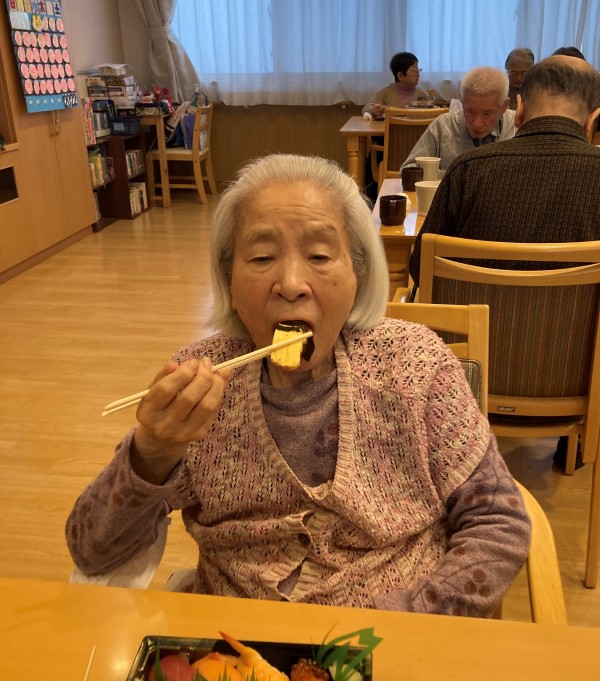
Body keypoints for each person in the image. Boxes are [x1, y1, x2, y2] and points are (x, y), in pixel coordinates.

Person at [66, 153, 530, 618]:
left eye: (320, 256)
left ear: (358, 271)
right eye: (262, 257)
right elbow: (93, 550)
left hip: (398, 640)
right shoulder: (201, 385)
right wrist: (152, 452)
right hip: (235, 641)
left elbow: (498, 520)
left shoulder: (414, 363)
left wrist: (414, 619)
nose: (290, 284)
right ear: (229, 278)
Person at [407, 56, 600, 471]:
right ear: (592, 120)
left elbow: (419, 269)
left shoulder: (468, 171)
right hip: (576, 384)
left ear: (520, 109)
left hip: (467, 381)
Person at [400, 66, 516, 171]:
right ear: (462, 101)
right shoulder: (443, 125)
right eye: (470, 111)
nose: (477, 123)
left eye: (487, 113)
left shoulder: (517, 126)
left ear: (504, 106)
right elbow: (408, 171)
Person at [362, 51, 431, 118]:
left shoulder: (421, 94)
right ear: (400, 76)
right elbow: (365, 110)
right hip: (390, 126)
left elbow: (432, 114)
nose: (418, 74)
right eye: (414, 71)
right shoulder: (386, 92)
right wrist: (372, 110)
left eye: (418, 70)